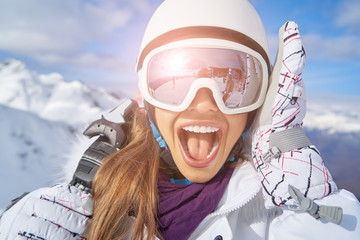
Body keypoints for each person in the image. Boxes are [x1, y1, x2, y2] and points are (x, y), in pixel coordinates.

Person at [1, 0, 360, 239]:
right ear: (147, 97)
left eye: (233, 82)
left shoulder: (273, 210)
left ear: (261, 101)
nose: (204, 103)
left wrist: (314, 211)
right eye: (174, 80)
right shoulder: (91, 200)